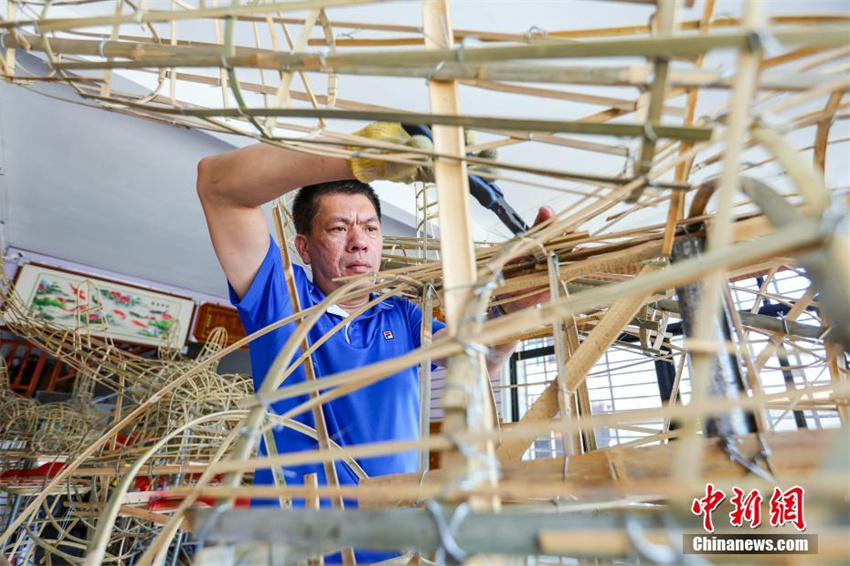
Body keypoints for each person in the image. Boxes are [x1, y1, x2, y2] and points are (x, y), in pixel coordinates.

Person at [197, 129, 550, 562]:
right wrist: (365, 155)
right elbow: (216, 183)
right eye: (338, 227)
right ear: (303, 247)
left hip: (392, 548)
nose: (359, 240)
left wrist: (511, 309)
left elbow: (480, 360)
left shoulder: (402, 315)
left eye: (370, 227)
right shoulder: (281, 299)